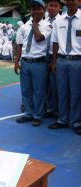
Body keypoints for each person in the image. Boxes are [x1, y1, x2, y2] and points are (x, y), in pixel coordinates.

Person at [14, 0, 52, 126]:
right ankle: (28, 113)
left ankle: (37, 115)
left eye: (38, 8)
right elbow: (20, 45)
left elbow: (39, 37)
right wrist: (17, 61)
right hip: (25, 62)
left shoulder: (47, 26)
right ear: (30, 11)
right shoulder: (25, 26)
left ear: (43, 10)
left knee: (39, 91)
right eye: (33, 9)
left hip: (39, 63)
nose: (35, 11)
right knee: (26, 90)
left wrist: (35, 23)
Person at [48, 0, 81, 135]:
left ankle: (76, 121)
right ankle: (62, 119)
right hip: (61, 60)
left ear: (79, 1)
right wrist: (55, 61)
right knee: (61, 91)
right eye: (67, 0)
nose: (70, 2)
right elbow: (55, 42)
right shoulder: (58, 21)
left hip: (77, 61)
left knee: (76, 93)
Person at [44, 0, 62, 118]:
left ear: (60, 8)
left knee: (56, 85)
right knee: (45, 84)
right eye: (51, 5)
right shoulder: (43, 21)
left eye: (56, 6)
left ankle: (57, 109)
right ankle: (48, 107)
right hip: (43, 56)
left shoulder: (62, 21)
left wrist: (55, 60)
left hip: (56, 56)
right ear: (46, 7)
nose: (53, 8)